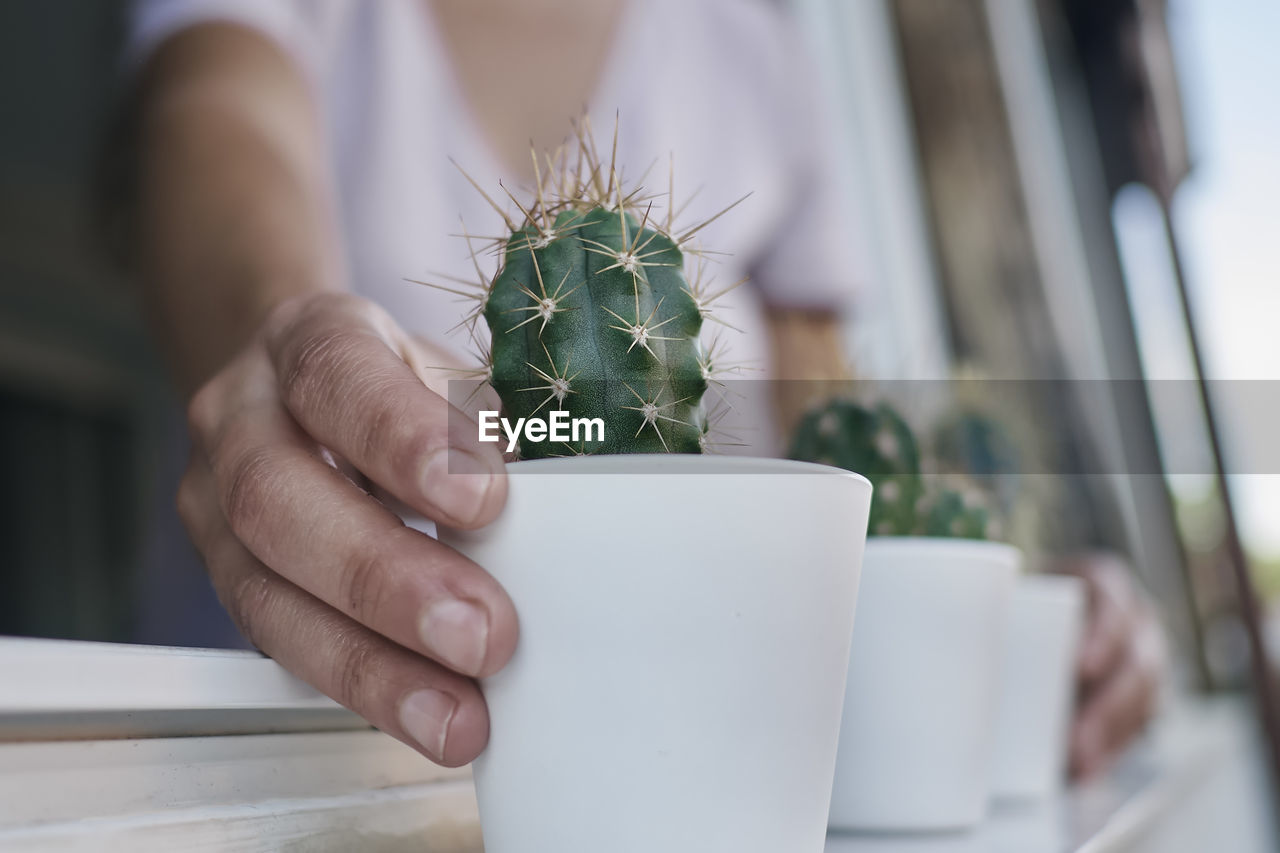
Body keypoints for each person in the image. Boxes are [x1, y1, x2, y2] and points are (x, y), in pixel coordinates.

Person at [124, 0, 1162, 776]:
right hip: (314, 764)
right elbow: (220, 119)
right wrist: (286, 345)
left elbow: (840, 453)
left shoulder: (753, 41)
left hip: (696, 763)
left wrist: (990, 599)